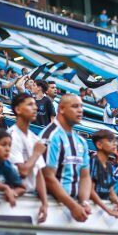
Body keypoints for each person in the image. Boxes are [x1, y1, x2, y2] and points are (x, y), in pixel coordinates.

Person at [40, 94, 91, 222]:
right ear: (61, 109)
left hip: (74, 208)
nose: (80, 110)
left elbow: (85, 176)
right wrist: (73, 206)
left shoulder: (81, 141)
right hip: (52, 207)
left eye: (81, 106)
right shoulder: (50, 136)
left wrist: (84, 202)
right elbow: (47, 177)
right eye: (75, 106)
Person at [8, 93, 48, 223]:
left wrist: (45, 203)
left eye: (35, 104)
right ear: (18, 110)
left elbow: (38, 173)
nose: (35, 108)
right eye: (30, 104)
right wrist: (36, 153)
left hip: (30, 198)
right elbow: (23, 172)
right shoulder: (11, 136)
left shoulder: (34, 138)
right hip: (12, 199)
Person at [90, 129, 118, 217]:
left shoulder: (109, 165)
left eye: (115, 141)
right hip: (92, 209)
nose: (115, 144)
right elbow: (90, 191)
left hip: (101, 208)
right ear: (99, 145)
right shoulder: (93, 162)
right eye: (110, 141)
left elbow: (111, 190)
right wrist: (107, 209)